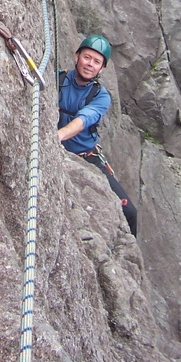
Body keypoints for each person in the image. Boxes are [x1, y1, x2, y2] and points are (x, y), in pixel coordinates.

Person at [58, 34, 138, 237]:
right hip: (58, 149)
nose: (90, 64)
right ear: (77, 57)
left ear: (101, 69)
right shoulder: (57, 79)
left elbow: (84, 119)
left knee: (129, 211)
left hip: (87, 156)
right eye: (87, 58)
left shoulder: (101, 96)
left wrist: (56, 136)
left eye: (96, 62)